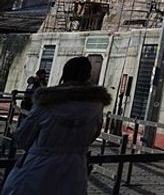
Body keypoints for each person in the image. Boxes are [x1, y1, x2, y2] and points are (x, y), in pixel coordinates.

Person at [3, 57, 110, 195]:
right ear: (88, 76)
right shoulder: (97, 106)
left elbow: (23, 137)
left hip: (38, 170)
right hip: (75, 172)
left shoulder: (47, 102)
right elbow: (93, 135)